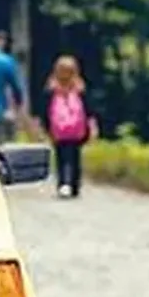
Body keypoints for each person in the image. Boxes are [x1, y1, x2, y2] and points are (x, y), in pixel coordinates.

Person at [42, 54, 99, 199]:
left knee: (62, 157)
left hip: (59, 129)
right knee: (74, 157)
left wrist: (44, 127)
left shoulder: (51, 88)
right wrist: (92, 126)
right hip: (76, 129)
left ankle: (64, 183)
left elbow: (45, 110)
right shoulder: (80, 88)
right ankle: (73, 184)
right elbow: (89, 109)